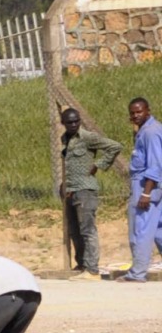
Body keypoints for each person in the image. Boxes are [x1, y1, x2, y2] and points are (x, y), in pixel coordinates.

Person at [57, 107, 123, 279]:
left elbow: (115, 146)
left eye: (76, 121)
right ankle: (82, 264)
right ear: (63, 123)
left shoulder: (87, 137)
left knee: (87, 230)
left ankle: (92, 269)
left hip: (86, 190)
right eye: (69, 122)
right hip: (71, 191)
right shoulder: (65, 138)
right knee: (74, 230)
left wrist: (98, 165)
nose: (73, 124)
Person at [127, 97, 161, 283]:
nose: (135, 115)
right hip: (151, 185)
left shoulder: (151, 132)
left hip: (146, 185)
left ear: (148, 110)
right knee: (158, 230)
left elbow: (155, 165)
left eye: (139, 112)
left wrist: (146, 193)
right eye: (132, 113)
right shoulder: (143, 131)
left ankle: (137, 273)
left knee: (140, 229)